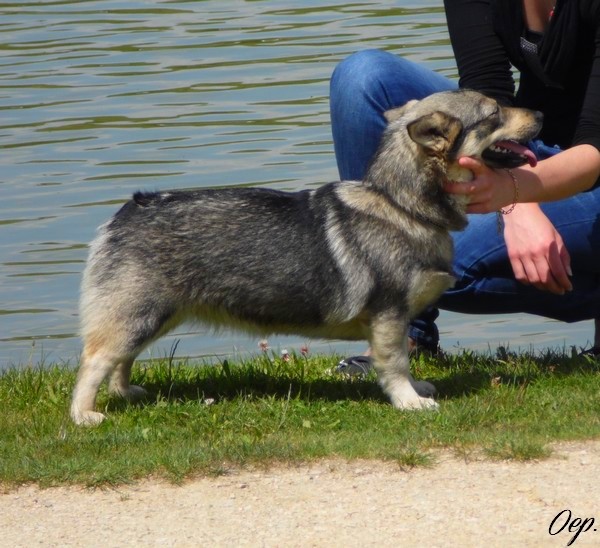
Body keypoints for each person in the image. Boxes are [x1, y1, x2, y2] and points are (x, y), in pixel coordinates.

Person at [329, 0, 600, 356]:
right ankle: (405, 335)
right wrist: (518, 207)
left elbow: (595, 147)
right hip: (532, 147)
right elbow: (487, 102)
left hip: (590, 166)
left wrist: (514, 192)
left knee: (432, 264)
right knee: (363, 78)